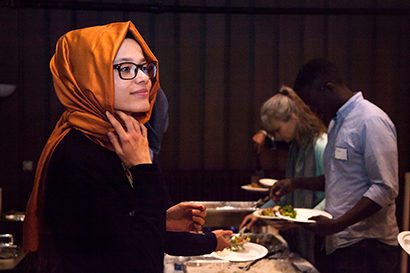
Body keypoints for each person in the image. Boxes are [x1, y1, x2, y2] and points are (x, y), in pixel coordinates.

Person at [22, 21, 231, 273]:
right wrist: (143, 168)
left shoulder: (122, 138)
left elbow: (140, 231)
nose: (144, 78)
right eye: (125, 68)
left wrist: (165, 220)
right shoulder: (76, 155)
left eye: (144, 67)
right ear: (90, 77)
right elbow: (143, 263)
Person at [271, 58, 400, 273]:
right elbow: (336, 178)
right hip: (341, 244)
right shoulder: (336, 124)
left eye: (313, 103)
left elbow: (385, 188)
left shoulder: (371, 120)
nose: (313, 111)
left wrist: (338, 224)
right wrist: (294, 183)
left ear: (327, 88)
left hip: (369, 248)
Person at [240, 85, 327, 264]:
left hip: (320, 237)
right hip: (300, 235)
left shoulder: (321, 145)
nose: (277, 136)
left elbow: (333, 195)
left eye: (278, 130)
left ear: (293, 118)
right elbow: (289, 194)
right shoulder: (296, 147)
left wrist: (300, 220)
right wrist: (261, 212)